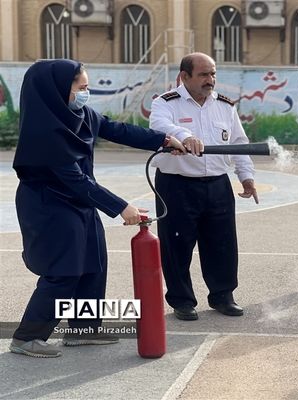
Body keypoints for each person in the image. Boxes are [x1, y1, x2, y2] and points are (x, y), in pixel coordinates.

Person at [9, 59, 187, 358]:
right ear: (58, 90)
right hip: (49, 204)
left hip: (78, 201)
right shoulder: (45, 132)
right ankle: (28, 336)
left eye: (87, 87)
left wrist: (164, 140)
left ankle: (83, 330)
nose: (85, 93)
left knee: (94, 262)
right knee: (64, 270)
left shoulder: (81, 115)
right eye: (81, 87)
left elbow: (118, 130)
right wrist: (120, 207)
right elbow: (74, 180)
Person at [150, 52, 258, 319]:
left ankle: (222, 296)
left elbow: (238, 143)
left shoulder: (224, 105)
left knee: (222, 243)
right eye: (203, 75)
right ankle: (182, 301)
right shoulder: (165, 103)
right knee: (176, 245)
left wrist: (246, 176)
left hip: (218, 186)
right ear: (184, 77)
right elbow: (159, 126)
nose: (210, 80)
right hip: (176, 186)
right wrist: (185, 135)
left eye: (213, 74)